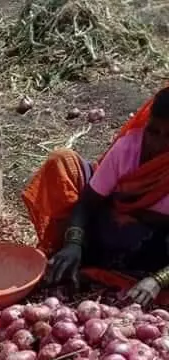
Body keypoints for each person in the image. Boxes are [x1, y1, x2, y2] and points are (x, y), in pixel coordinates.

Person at [23, 86, 169, 308]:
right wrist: (73, 243)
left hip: (153, 245)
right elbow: (87, 203)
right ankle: (66, 257)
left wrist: (158, 280)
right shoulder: (128, 148)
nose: (157, 144)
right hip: (105, 222)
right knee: (62, 163)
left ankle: (125, 275)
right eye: (153, 131)